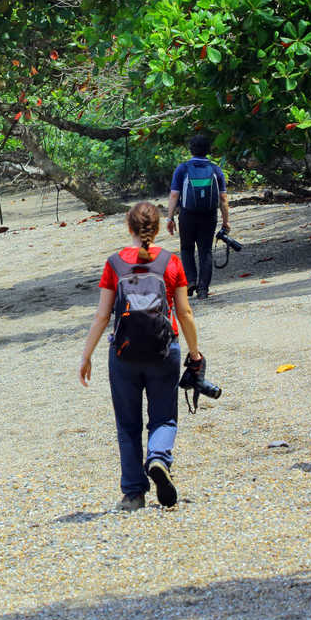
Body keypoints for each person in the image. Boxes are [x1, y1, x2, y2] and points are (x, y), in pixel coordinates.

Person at [79, 201, 202, 511]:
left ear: (128, 227)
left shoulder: (114, 263)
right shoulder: (171, 262)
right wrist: (195, 352)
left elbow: (102, 316)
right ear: (157, 228)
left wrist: (87, 354)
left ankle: (134, 493)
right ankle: (158, 458)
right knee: (163, 416)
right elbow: (185, 312)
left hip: (123, 354)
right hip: (165, 350)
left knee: (128, 424)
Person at [166, 133, 231, 301]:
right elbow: (223, 198)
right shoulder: (215, 169)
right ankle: (203, 289)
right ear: (208, 150)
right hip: (209, 215)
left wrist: (170, 218)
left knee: (186, 248)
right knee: (205, 251)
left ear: (191, 150)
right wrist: (226, 221)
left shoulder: (183, 168)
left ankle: (190, 281)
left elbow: (174, 195)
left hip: (187, 214)